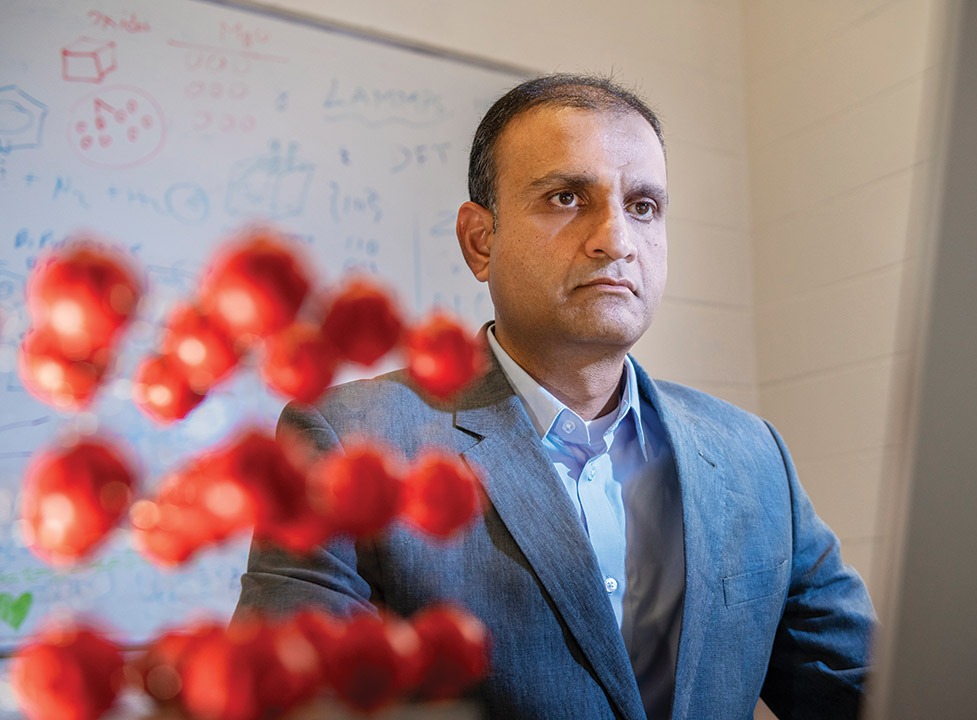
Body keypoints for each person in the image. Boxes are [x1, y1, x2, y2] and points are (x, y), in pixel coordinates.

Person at [236, 74, 876, 720]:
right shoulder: (349, 444)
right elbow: (285, 703)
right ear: (480, 242)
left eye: (644, 206)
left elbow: (872, 692)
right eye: (568, 198)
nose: (616, 240)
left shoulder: (753, 457)